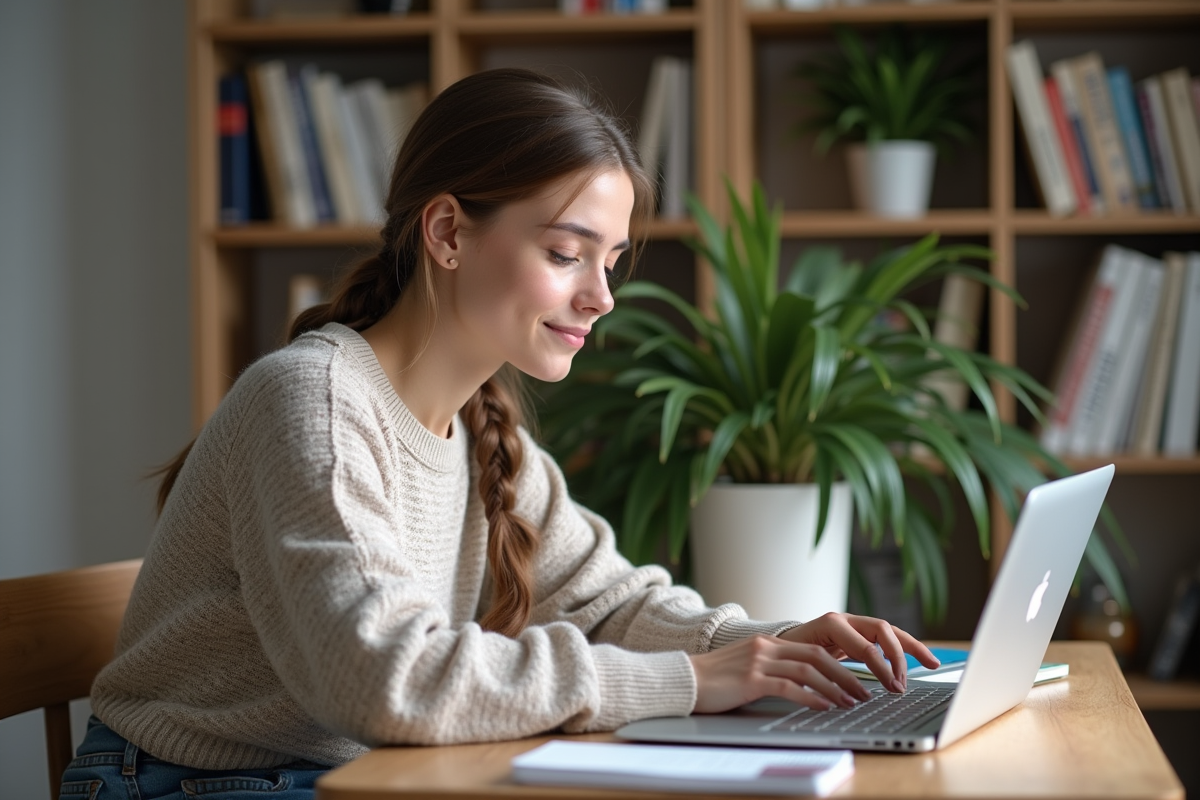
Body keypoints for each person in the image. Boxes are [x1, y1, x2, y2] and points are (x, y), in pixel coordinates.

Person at [60, 68, 937, 800]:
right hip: (184, 782)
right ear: (447, 232)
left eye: (611, 261)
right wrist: (689, 684)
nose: (602, 297)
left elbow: (609, 604)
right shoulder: (314, 404)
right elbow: (384, 678)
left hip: (339, 772)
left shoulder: (487, 427)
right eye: (566, 254)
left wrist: (762, 646)